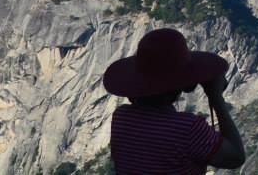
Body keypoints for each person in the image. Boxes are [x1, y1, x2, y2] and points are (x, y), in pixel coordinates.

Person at [101, 27, 246, 173]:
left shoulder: (121, 118)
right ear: (183, 84)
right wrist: (216, 99)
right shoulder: (188, 128)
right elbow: (236, 157)